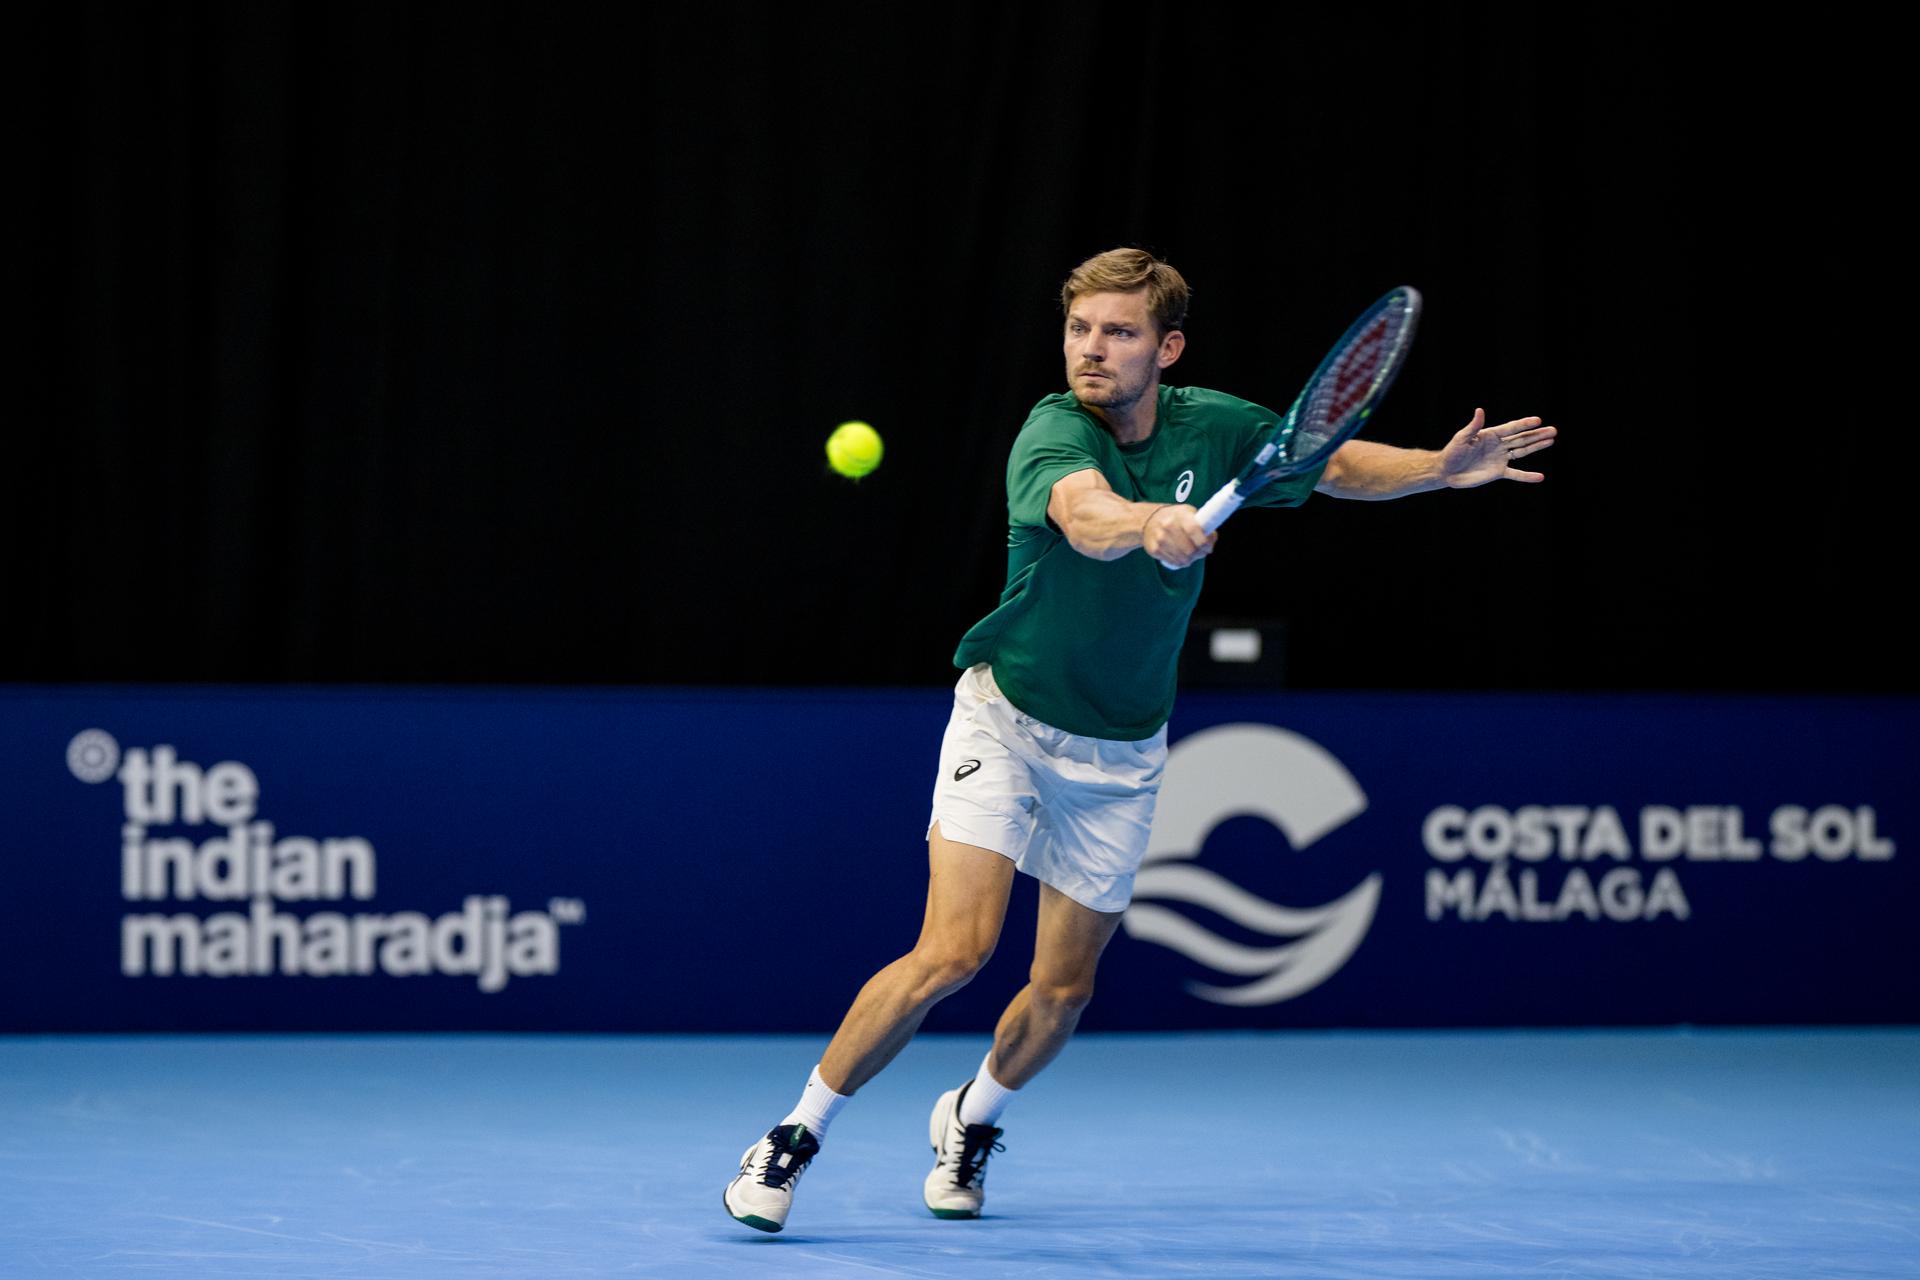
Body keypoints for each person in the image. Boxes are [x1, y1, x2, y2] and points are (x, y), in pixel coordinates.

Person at [723, 247, 1556, 1232]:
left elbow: (1325, 462)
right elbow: (1083, 514)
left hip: (1120, 755)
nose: (1092, 349)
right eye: (1079, 328)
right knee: (954, 950)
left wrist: (1434, 471)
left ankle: (970, 1116)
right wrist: (1151, 519)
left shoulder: (1218, 424)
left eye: (1118, 332)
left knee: (1064, 989)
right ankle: (793, 1135)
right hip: (1008, 717)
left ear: (1166, 347)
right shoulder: (1051, 428)